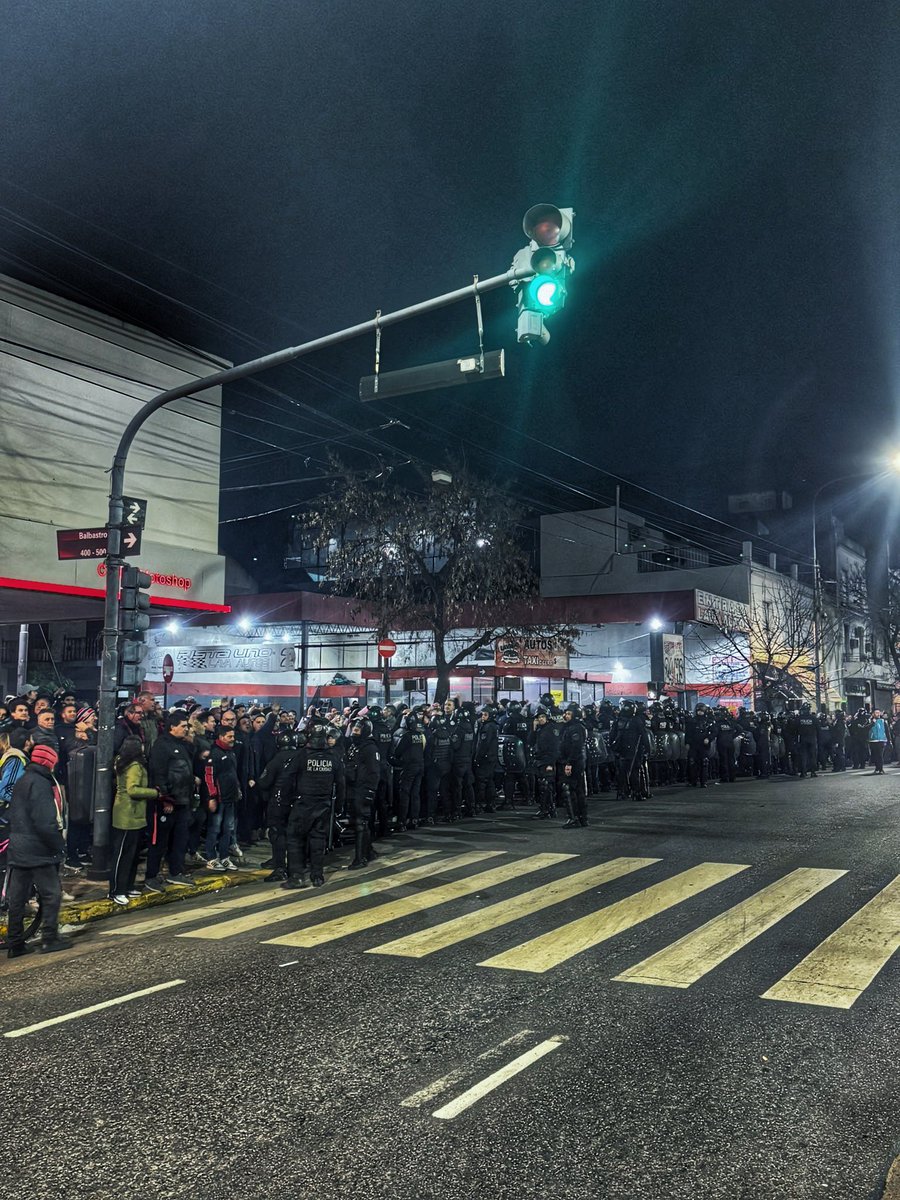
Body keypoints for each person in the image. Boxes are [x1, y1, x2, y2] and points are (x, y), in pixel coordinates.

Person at [6, 742, 71, 956]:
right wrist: (59, 846)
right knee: (52, 894)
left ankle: (15, 943)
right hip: (38, 850)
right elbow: (45, 822)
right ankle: (49, 939)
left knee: (17, 898)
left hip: (18, 847)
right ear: (49, 762)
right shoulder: (41, 784)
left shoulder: (23, 780)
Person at [282, 721, 345, 888]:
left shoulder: (302, 755)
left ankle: (297, 876)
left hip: (304, 803)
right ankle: (317, 876)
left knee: (295, 838)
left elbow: (288, 778)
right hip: (323, 805)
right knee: (318, 840)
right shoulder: (333, 757)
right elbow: (341, 784)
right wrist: (339, 806)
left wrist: (286, 802)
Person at [146, 710, 194, 891]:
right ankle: (151, 875)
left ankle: (176, 872)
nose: (186, 729)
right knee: (159, 841)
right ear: (172, 727)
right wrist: (165, 798)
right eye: (183, 726)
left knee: (180, 839)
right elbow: (158, 774)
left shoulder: (181, 744)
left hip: (183, 801)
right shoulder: (162, 745)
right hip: (167, 803)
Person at [110, 736, 158, 905]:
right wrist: (154, 793)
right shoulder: (135, 766)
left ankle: (127, 886)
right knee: (124, 854)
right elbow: (133, 790)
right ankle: (117, 890)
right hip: (128, 814)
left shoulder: (122, 762)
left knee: (131, 854)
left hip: (130, 813)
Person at [203, 726, 242, 871]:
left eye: (233, 736)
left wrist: (237, 789)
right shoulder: (214, 754)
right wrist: (212, 797)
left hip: (230, 797)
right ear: (221, 736)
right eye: (229, 736)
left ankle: (224, 857)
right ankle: (211, 858)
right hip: (219, 799)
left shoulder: (230, 752)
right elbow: (209, 777)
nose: (233, 739)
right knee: (215, 829)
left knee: (228, 829)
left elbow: (233, 774)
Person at [344, 716, 381, 868]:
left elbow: (374, 772)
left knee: (361, 822)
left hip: (363, 789)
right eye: (353, 729)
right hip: (353, 789)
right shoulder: (355, 746)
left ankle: (360, 858)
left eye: (358, 730)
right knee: (358, 822)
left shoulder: (370, 748)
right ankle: (369, 851)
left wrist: (370, 791)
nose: (354, 732)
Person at [868, 710, 888, 775]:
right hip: (873, 740)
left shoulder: (883, 721)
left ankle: (881, 769)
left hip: (881, 740)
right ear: (873, 714)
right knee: (875, 755)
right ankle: (877, 768)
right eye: (876, 713)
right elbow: (866, 728)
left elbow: (887, 730)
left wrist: (888, 739)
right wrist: (872, 723)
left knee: (880, 755)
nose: (878, 714)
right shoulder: (870, 721)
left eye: (879, 713)